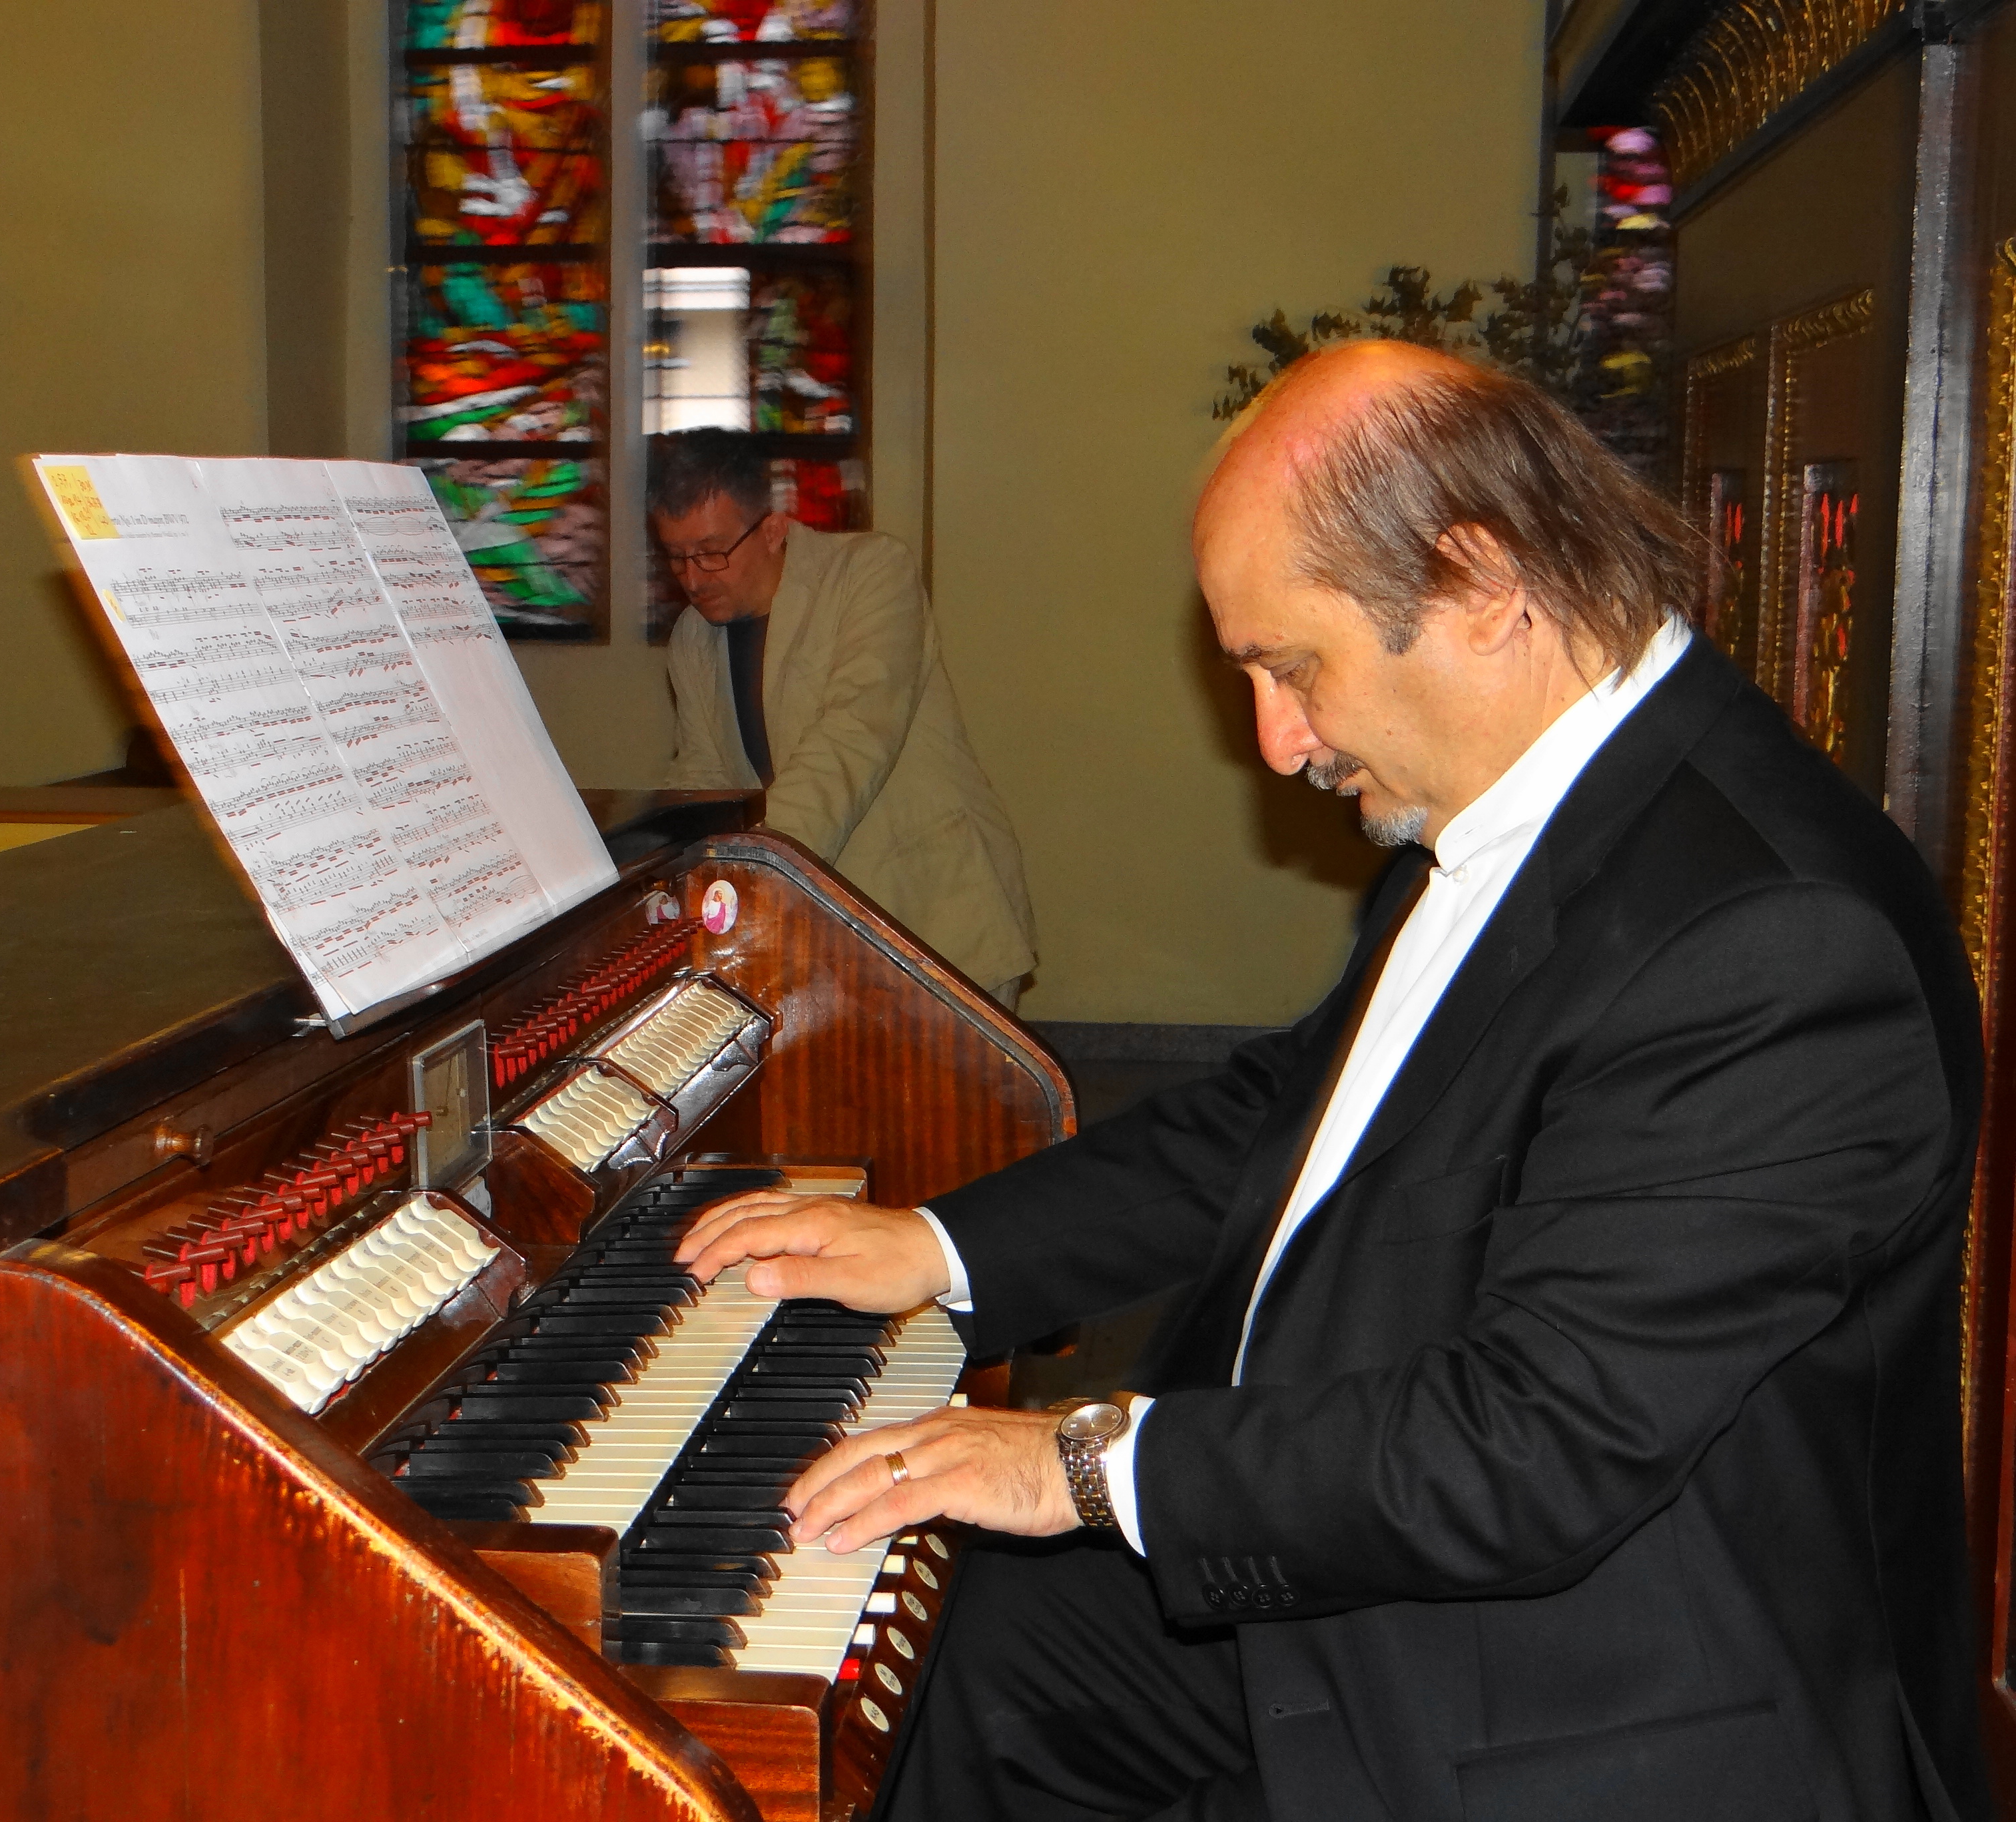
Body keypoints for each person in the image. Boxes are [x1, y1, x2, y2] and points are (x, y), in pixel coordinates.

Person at [674, 343, 1991, 1821]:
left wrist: (1080, 1464)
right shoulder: (1517, 806)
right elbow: (1288, 1114)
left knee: (988, 1595)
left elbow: (1537, 1448)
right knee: (950, 1646)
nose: (1275, 741)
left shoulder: (1773, 939)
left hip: (1600, 1700)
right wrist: (937, 1245)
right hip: (1403, 1541)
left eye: (1291, 668)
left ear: (1481, 584)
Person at [651, 429, 1037, 1006]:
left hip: (933, 916)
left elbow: (854, 737)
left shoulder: (870, 571)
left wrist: (754, 875)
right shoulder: (693, 637)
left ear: (773, 529)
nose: (693, 578)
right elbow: (706, 779)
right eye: (677, 557)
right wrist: (671, 877)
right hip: (821, 936)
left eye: (711, 552)